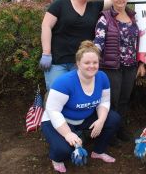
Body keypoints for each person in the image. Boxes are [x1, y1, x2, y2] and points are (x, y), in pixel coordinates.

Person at [41, 40, 121, 173]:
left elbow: (104, 101)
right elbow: (53, 110)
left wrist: (101, 120)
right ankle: (56, 158)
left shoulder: (102, 77)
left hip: (84, 118)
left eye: (95, 63)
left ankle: (98, 152)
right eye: (87, 63)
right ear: (78, 64)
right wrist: (67, 134)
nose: (92, 66)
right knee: (64, 150)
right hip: (58, 120)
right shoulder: (64, 82)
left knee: (113, 118)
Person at [39, 0, 112, 91]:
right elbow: (46, 26)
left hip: (81, 63)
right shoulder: (60, 4)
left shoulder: (94, 6)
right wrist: (46, 53)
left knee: (77, 95)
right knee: (56, 93)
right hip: (57, 61)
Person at [94, 0, 145, 142]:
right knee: (112, 101)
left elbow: (138, 42)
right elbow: (98, 41)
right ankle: (110, 133)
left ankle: (120, 128)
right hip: (112, 67)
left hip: (130, 66)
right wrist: (93, 61)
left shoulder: (132, 17)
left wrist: (140, 63)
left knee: (124, 99)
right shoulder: (105, 17)